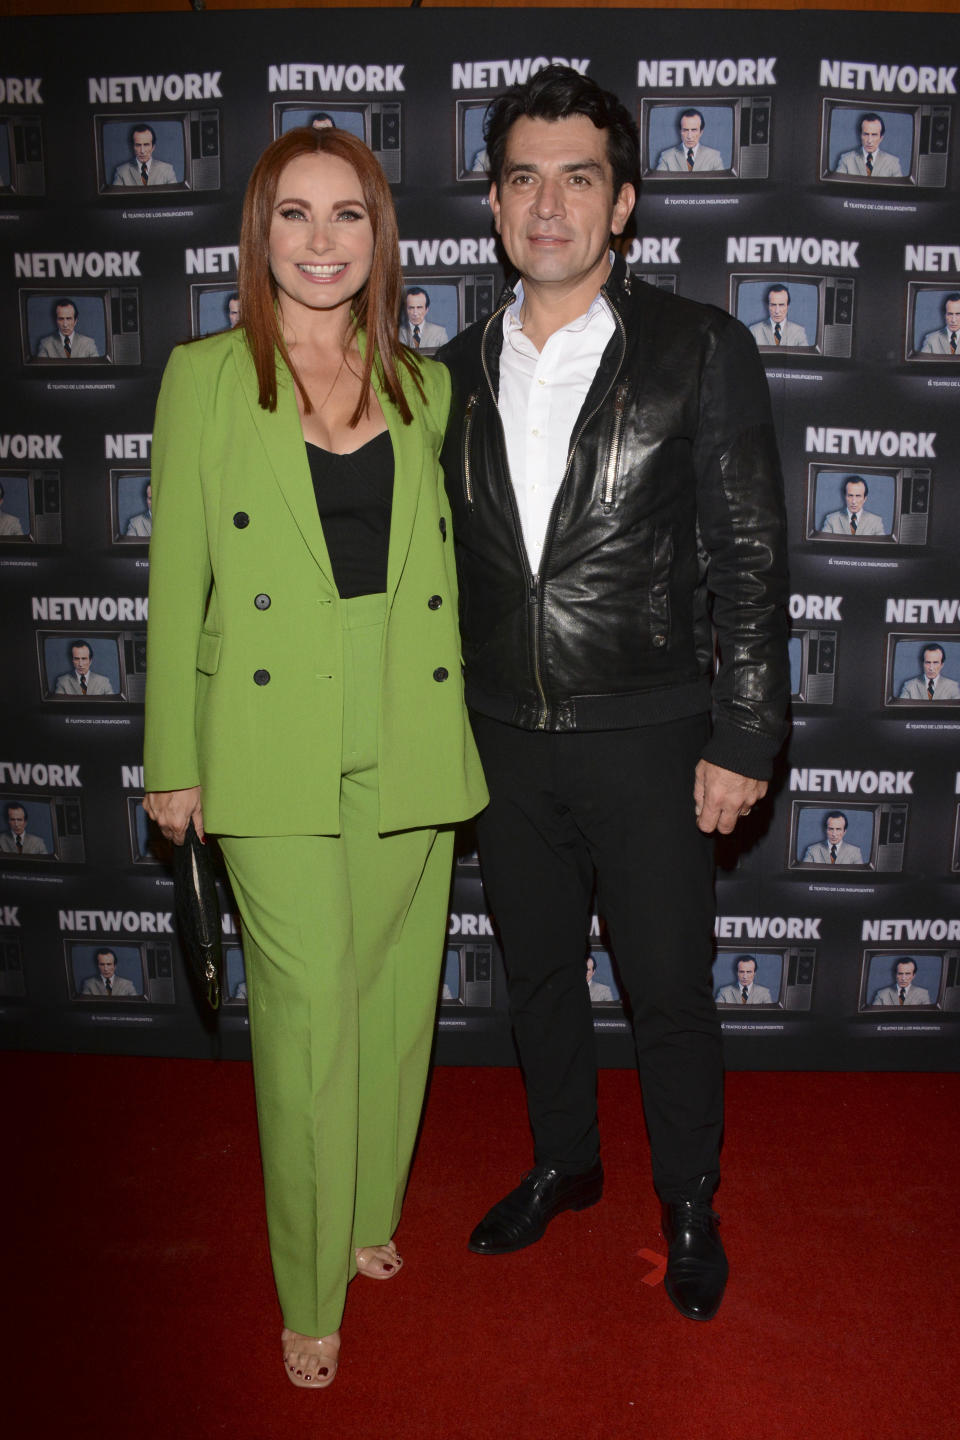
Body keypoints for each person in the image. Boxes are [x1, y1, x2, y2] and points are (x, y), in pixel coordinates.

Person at [439, 66, 789, 1324]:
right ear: (493, 205)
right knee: (533, 976)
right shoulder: (447, 371)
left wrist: (747, 731)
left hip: (651, 736)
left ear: (622, 201)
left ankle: (688, 1203)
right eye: (524, 177)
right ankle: (564, 1163)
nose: (549, 204)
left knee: (669, 989)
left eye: (578, 177)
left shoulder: (701, 347)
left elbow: (750, 558)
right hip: (498, 735)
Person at [142, 125, 486, 1391]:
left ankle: (367, 1214)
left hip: (405, 723)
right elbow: (175, 578)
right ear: (260, 232)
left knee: (394, 997)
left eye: (350, 215)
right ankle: (308, 1282)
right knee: (307, 1011)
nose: (324, 241)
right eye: (297, 215)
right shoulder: (204, 377)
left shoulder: (425, 385)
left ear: (379, 236)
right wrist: (170, 758)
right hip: (269, 730)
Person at [835, 114, 903, 178]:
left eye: (874, 135)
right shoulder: (846, 160)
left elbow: (899, 190)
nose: (869, 141)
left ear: (881, 138)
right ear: (860, 135)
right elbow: (837, 188)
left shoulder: (893, 163)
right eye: (866, 134)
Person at [656, 109, 724, 172]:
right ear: (680, 131)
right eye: (685, 130)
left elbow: (722, 184)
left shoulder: (714, 157)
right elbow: (658, 184)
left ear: (701, 132)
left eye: (694, 130)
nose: (689, 136)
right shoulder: (666, 157)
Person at [112, 123, 178, 186]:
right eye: (138, 145)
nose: (142, 151)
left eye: (146, 145)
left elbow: (174, 197)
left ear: (153, 147)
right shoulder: (121, 172)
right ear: (133, 147)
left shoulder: (167, 170)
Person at [820, 476, 886, 536]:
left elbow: (881, 548)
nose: (854, 501)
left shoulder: (876, 522)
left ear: (865, 499)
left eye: (858, 496)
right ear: (845, 497)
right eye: (850, 495)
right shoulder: (831, 520)